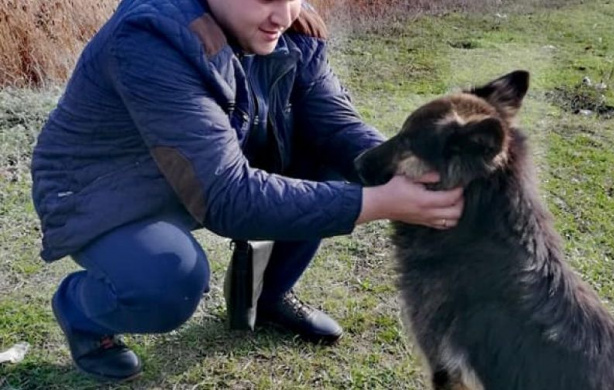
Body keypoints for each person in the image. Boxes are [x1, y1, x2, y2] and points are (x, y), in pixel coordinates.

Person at [30, 0, 464, 383]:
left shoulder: (290, 27)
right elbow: (225, 195)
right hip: (101, 187)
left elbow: (335, 125)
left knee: (340, 160)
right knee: (169, 281)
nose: (284, 13)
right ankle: (81, 311)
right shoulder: (150, 36)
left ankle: (269, 297)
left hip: (203, 164)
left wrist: (408, 170)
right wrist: (380, 203)